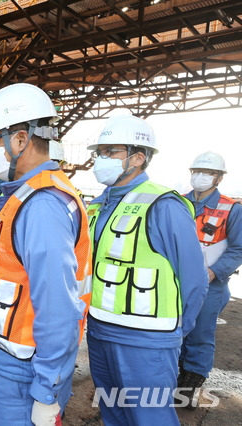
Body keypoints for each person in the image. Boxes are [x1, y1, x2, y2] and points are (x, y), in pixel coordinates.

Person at [0, 83, 92, 425]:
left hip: (19, 375)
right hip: (2, 362)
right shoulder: (24, 196)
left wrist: (47, 390)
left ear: (19, 140)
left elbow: (57, 308)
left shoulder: (43, 206)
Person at [85, 115, 208, 425]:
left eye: (110, 151)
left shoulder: (164, 204)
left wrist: (175, 335)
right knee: (112, 412)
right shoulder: (98, 206)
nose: (100, 159)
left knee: (150, 417)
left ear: (138, 158)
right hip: (100, 331)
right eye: (99, 152)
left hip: (146, 340)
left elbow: (193, 281)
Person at [178, 151, 242, 406]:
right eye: (197, 172)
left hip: (210, 285)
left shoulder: (231, 208)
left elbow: (238, 248)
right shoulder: (178, 202)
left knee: (200, 336)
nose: (201, 177)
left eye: (208, 173)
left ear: (219, 178)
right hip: (176, 282)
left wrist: (214, 271)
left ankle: (189, 390)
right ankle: (174, 379)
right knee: (174, 332)